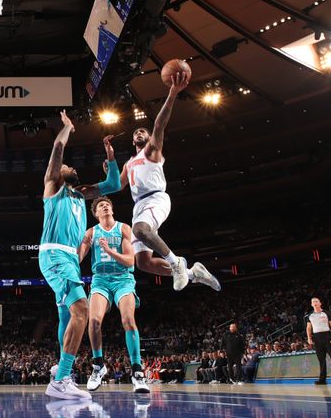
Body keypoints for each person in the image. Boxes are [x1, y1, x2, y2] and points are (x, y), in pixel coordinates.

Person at [39, 111, 122, 400]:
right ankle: (61, 378)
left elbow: (113, 185)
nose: (69, 166)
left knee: (67, 314)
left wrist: (110, 156)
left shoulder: (80, 194)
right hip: (56, 255)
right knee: (82, 312)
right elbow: (57, 151)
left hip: (70, 260)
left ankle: (60, 372)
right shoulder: (53, 187)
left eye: (69, 166)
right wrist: (67, 129)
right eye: (65, 166)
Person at [117, 72, 220, 292]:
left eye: (143, 130)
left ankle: (176, 263)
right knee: (143, 263)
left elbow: (160, 124)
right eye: (136, 131)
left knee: (141, 230)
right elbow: (118, 185)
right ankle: (194, 273)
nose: (140, 132)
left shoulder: (151, 150)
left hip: (156, 197)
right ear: (132, 140)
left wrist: (172, 93)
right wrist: (108, 163)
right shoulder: (128, 163)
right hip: (139, 205)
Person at [77, 197, 149, 393]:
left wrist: (109, 250)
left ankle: (137, 372)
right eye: (101, 206)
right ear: (96, 213)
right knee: (94, 321)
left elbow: (129, 261)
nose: (105, 206)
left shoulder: (124, 228)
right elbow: (79, 255)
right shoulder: (91, 233)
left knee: (128, 320)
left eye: (108, 204)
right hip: (100, 279)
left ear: (112, 209)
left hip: (123, 279)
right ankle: (99, 365)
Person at [306, 297, 331, 385]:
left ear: (320, 303)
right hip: (317, 337)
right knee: (321, 360)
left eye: (316, 301)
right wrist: (309, 338)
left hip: (327, 336)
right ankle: (322, 379)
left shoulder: (326, 313)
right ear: (311, 304)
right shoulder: (310, 315)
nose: (315, 303)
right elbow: (308, 327)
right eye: (313, 302)